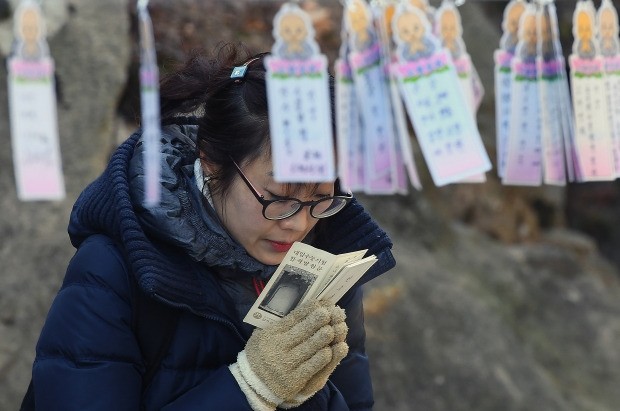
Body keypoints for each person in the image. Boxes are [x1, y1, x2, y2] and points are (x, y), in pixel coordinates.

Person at [26, 43, 395, 411]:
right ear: (212, 161)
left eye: (320, 197)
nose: (299, 224)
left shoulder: (328, 264)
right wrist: (250, 388)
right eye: (278, 197)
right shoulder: (111, 272)